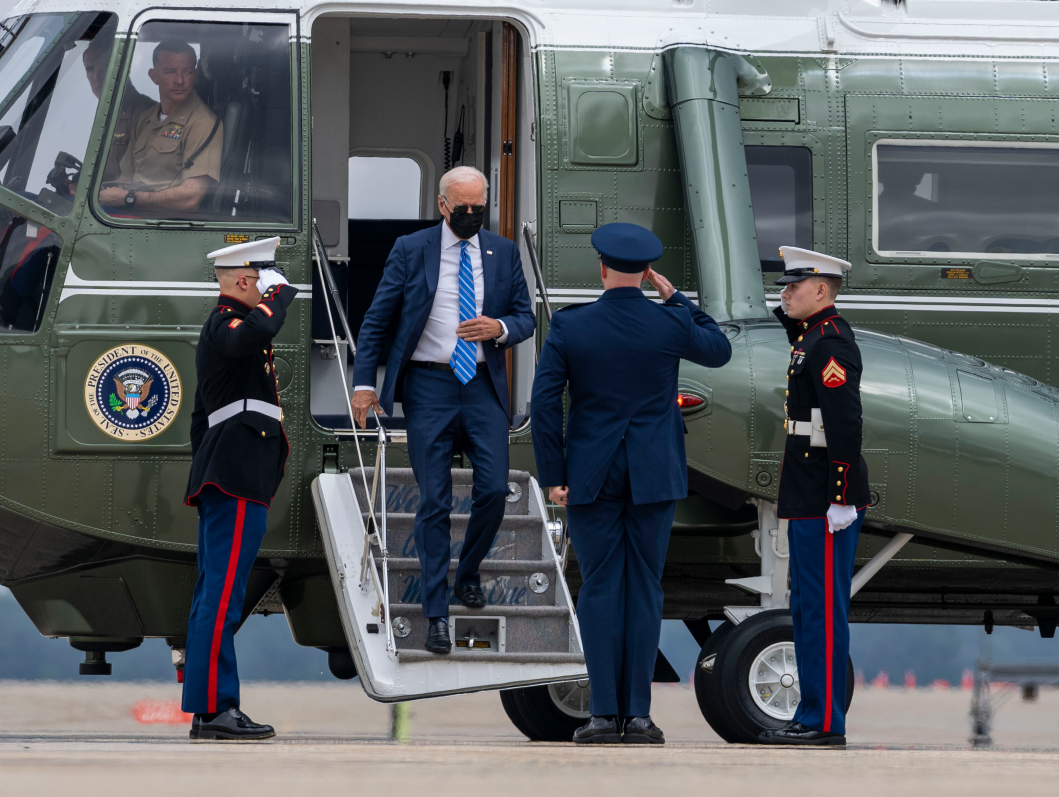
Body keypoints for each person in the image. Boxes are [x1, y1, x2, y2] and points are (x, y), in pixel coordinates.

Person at [531, 222, 732, 745]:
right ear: (647, 273)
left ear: (602, 269)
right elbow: (719, 350)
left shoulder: (571, 328)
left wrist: (554, 476)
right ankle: (638, 717)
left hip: (591, 475)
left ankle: (601, 716)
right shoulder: (669, 324)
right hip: (652, 473)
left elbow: (544, 406)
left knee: (598, 588)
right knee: (644, 587)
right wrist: (679, 300)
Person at [349, 166, 536, 654]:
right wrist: (364, 383)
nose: (473, 216)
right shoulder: (411, 249)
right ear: (442, 205)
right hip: (429, 385)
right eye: (464, 209)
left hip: (482, 385)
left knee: (494, 488)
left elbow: (525, 317)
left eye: (480, 208)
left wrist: (499, 328)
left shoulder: (504, 252)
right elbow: (378, 319)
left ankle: (468, 571)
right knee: (433, 501)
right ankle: (436, 614)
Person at [182, 236, 296, 741]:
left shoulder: (237, 331)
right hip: (233, 477)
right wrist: (283, 295)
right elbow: (254, 330)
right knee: (222, 596)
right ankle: (215, 709)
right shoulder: (225, 325)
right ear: (248, 280)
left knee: (217, 593)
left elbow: (199, 420)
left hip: (231, 474)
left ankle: (212, 708)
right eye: (264, 277)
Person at [758, 247, 870, 747]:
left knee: (823, 611)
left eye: (793, 286)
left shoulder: (831, 344)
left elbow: (845, 423)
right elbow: (795, 335)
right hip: (806, 493)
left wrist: (841, 496)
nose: (784, 293)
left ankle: (825, 722)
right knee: (807, 608)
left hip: (826, 496)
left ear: (821, 290)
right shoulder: (812, 336)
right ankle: (810, 712)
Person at [99, 40, 222, 214]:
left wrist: (128, 199)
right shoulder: (145, 119)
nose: (180, 81)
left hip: (161, 224)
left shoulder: (203, 123)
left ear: (195, 75)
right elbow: (126, 178)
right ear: (154, 76)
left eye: (186, 72)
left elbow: (191, 198)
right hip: (129, 216)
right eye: (170, 72)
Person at [82, 34, 155, 183]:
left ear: (123, 68)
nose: (97, 77)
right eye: (90, 69)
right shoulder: (107, 114)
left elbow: (138, 180)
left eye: (105, 66)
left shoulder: (147, 114)